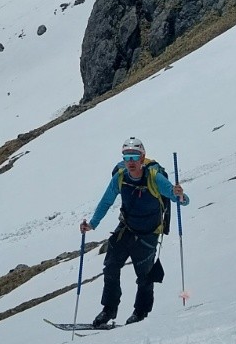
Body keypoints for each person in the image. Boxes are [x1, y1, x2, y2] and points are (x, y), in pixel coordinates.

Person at [80, 137, 189, 327]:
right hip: (126, 229)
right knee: (111, 266)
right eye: (126, 157)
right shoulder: (120, 177)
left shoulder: (155, 177)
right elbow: (106, 201)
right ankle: (109, 309)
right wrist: (92, 224)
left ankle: (140, 312)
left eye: (134, 157)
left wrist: (180, 195)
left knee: (145, 276)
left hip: (148, 234)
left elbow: (181, 199)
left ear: (142, 158)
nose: (130, 161)